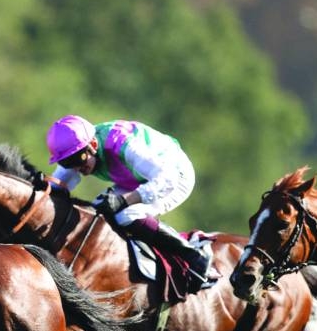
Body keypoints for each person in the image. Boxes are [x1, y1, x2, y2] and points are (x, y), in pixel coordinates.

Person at [46, 114, 211, 279]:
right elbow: (57, 185)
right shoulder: (80, 148)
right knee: (96, 209)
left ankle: (193, 255)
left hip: (174, 175)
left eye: (79, 159)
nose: (76, 167)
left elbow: (167, 180)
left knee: (127, 215)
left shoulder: (123, 144)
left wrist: (123, 201)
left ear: (93, 145)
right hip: (138, 180)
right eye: (67, 162)